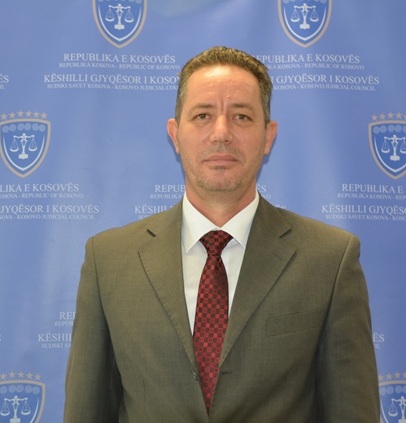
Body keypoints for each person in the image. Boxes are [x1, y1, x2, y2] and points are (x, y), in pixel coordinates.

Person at [64, 46, 379, 422]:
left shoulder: (330, 260)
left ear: (268, 136)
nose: (221, 133)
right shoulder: (109, 260)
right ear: (175, 134)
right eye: (202, 115)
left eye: (241, 116)